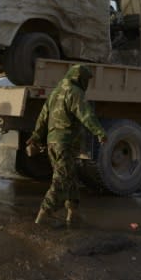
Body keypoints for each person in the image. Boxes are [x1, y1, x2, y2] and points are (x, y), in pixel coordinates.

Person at [27, 64, 107, 226]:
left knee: (69, 176)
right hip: (66, 143)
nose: (87, 83)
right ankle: (43, 214)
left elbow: (42, 118)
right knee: (62, 179)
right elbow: (86, 115)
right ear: (80, 78)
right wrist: (100, 132)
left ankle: (73, 212)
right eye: (86, 79)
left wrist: (35, 137)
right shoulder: (75, 93)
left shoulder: (55, 93)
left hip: (52, 143)